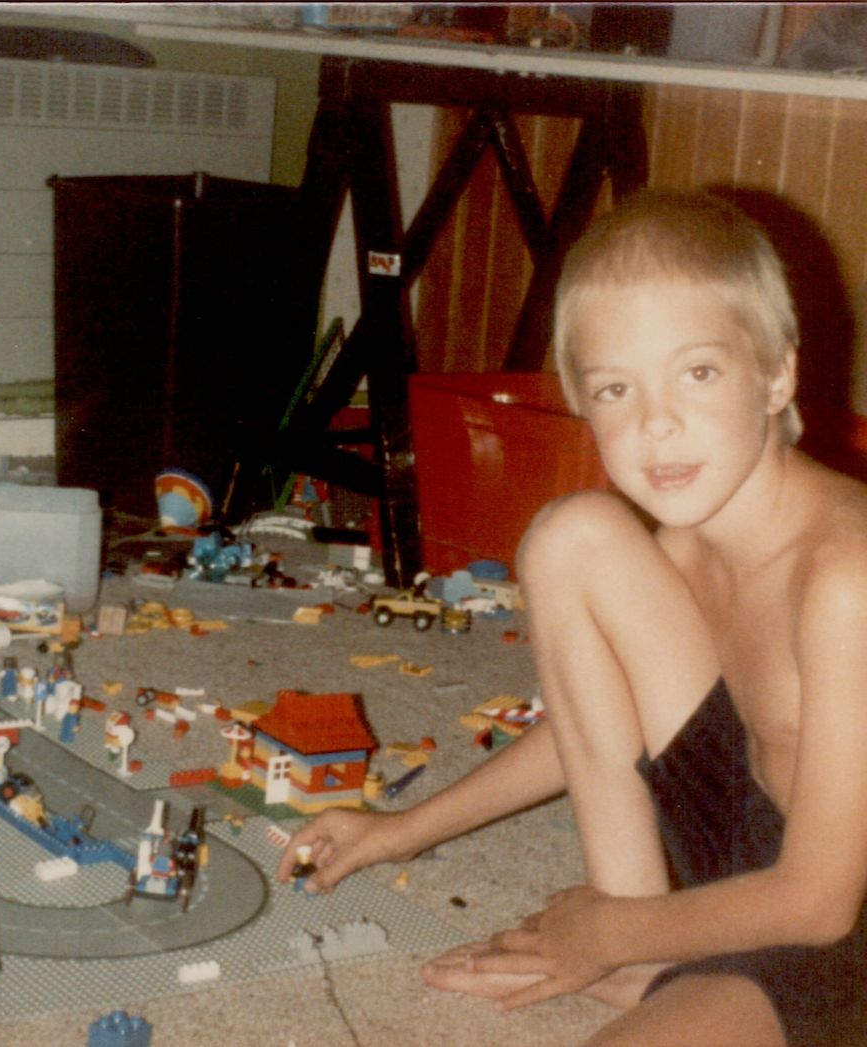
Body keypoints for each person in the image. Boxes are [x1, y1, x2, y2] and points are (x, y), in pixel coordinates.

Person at [277, 189, 867, 1046]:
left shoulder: (846, 578)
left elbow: (817, 904)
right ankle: (644, 955)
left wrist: (601, 930)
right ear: (581, 403)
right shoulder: (689, 540)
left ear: (777, 373)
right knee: (572, 535)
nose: (658, 421)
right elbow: (595, 724)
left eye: (698, 372)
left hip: (839, 933)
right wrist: (402, 830)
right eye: (617, 389)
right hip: (746, 851)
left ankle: (643, 951)